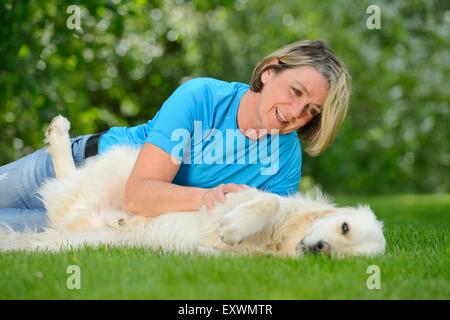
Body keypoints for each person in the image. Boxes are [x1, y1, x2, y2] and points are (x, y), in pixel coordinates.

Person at [0, 40, 351, 231]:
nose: (295, 113)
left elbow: (264, 229)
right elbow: (139, 194)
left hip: (101, 216)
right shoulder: (202, 97)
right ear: (270, 73)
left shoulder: (285, 158)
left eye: (311, 112)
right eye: (296, 92)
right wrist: (209, 199)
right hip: (80, 166)